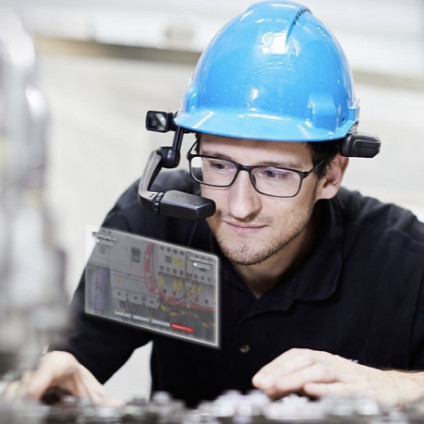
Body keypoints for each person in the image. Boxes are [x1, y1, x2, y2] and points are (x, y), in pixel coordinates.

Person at [4, 0, 424, 409]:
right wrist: (50, 376)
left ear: (331, 174)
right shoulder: (159, 226)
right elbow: (75, 365)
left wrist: (395, 386)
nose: (239, 207)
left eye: (274, 173)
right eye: (218, 165)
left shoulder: (401, 264)